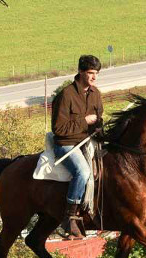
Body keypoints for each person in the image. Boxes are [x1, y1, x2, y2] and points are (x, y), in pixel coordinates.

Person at [51, 55, 103, 238]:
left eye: (96, 73)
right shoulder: (66, 95)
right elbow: (58, 129)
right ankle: (70, 217)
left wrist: (100, 127)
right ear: (81, 72)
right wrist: (84, 121)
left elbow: (98, 120)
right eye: (90, 73)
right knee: (83, 172)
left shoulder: (96, 94)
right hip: (67, 144)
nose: (94, 77)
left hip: (88, 142)